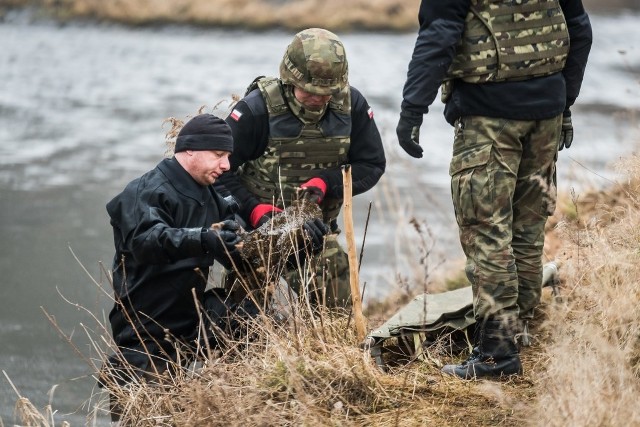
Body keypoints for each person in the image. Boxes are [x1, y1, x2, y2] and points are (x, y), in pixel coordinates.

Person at [396, 0, 592, 379]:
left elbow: (439, 37)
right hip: (546, 114)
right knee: (527, 228)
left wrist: (412, 108)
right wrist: (563, 101)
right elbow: (579, 29)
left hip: (489, 118)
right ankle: (519, 331)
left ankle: (496, 355)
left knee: (487, 232)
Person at [215, 28, 386, 307]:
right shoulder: (256, 110)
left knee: (337, 313)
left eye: (327, 92)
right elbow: (217, 171)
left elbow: (372, 164)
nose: (318, 98)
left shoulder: (351, 105)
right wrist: (254, 209)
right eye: (310, 91)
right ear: (289, 78)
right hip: (257, 235)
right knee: (242, 323)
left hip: (316, 233)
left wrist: (326, 182)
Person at [101, 114, 244, 421]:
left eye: (228, 157)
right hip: (147, 330)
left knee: (251, 317)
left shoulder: (213, 195)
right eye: (219, 156)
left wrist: (289, 239)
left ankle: (239, 404)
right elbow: (147, 240)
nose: (226, 166)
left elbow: (240, 236)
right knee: (148, 415)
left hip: (194, 321)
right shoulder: (146, 191)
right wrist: (204, 239)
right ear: (189, 150)